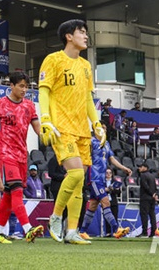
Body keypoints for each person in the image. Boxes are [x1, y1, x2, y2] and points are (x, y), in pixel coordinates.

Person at [37, 19, 105, 245]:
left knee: (79, 182)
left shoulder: (85, 66)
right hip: (61, 127)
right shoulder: (53, 60)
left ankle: (72, 231)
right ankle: (55, 217)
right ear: (69, 36)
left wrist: (96, 123)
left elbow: (87, 98)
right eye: (81, 32)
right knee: (75, 173)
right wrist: (45, 119)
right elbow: (44, 91)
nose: (86, 36)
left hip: (82, 130)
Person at [0, 72, 44, 244]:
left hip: (22, 154)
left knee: (8, 192)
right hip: (6, 153)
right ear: (11, 86)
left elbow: (38, 129)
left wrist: (52, 138)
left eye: (26, 86)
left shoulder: (29, 105)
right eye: (21, 85)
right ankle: (28, 229)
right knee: (16, 190)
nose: (24, 89)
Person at [78, 137, 132, 239]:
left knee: (93, 206)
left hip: (101, 180)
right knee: (106, 202)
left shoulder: (106, 143)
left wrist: (124, 168)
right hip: (94, 178)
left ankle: (82, 231)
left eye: (105, 128)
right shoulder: (91, 141)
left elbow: (111, 159)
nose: (103, 130)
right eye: (101, 128)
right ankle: (116, 229)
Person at [138, 162, 158, 237]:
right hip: (152, 199)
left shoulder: (143, 175)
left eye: (140, 167)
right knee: (152, 215)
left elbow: (145, 186)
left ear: (145, 167)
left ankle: (144, 232)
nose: (139, 168)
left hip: (145, 198)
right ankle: (153, 232)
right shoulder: (152, 176)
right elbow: (155, 187)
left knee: (144, 215)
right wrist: (155, 194)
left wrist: (151, 193)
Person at [103, 168, 122, 237]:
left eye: (110, 173)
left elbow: (119, 192)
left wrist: (112, 189)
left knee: (114, 216)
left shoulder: (115, 181)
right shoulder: (102, 182)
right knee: (107, 217)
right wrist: (106, 190)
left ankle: (115, 232)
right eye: (107, 173)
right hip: (105, 201)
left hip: (113, 201)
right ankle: (108, 232)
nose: (108, 174)